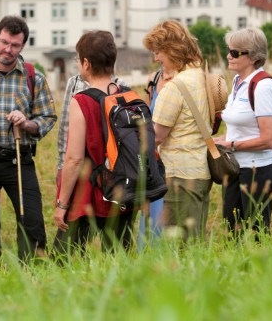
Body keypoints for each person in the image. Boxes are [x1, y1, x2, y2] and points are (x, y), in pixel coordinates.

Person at [0, 16, 57, 261]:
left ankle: (32, 269)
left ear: (23, 46)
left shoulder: (33, 76)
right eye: (4, 42)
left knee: (31, 218)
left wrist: (26, 123)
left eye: (15, 45)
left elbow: (47, 116)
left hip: (18, 158)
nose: (8, 49)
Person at [53, 31, 135, 254]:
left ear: (86, 63)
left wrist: (62, 204)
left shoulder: (82, 101)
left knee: (64, 263)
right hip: (122, 193)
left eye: (78, 59)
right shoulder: (128, 97)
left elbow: (74, 159)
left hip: (87, 194)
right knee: (120, 262)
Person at [143, 20, 212, 242]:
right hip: (200, 170)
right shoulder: (200, 76)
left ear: (172, 50)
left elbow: (157, 135)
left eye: (158, 52)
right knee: (195, 242)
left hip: (179, 175)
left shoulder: (174, 87)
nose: (156, 58)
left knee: (179, 246)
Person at [213, 28, 272, 239]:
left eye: (234, 52)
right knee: (233, 232)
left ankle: (259, 272)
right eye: (228, 50)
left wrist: (232, 146)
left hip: (257, 171)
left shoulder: (263, 86)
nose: (228, 56)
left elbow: (269, 139)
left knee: (256, 235)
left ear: (251, 57)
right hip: (235, 168)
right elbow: (238, 130)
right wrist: (217, 141)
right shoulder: (237, 82)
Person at [136, 67, 166, 248]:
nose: (155, 57)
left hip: (176, 157)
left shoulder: (186, 79)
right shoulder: (154, 79)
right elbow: (145, 116)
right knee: (151, 218)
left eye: (158, 51)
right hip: (153, 158)